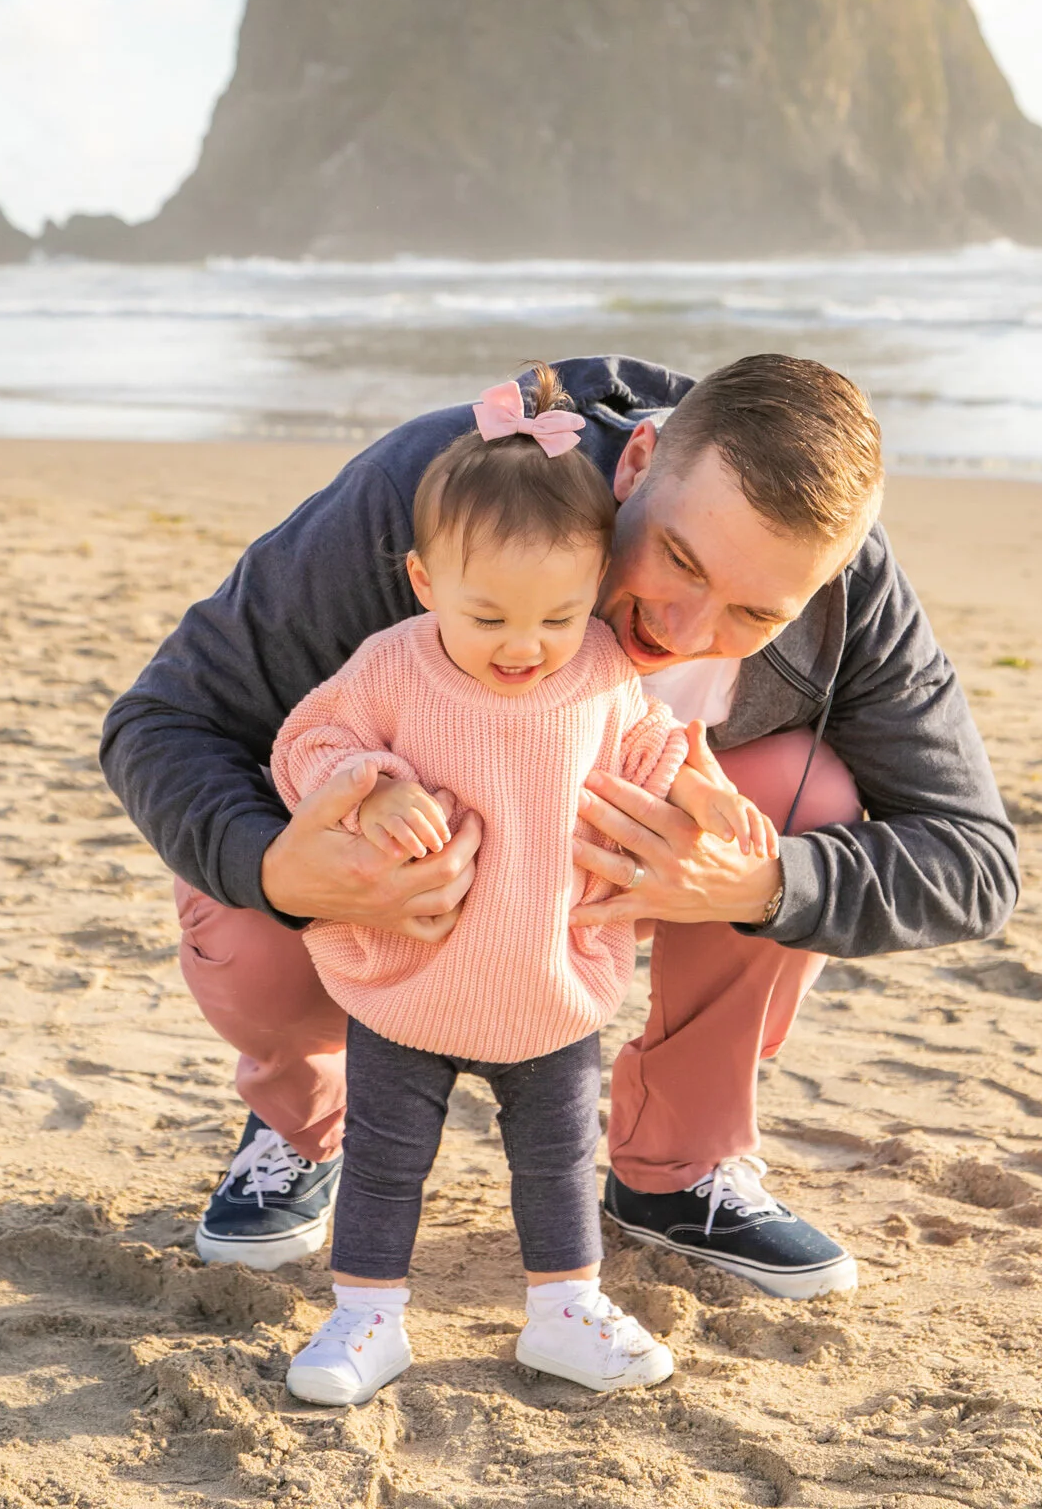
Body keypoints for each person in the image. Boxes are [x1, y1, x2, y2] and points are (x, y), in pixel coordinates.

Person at [101, 354, 1018, 1302]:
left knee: (802, 794)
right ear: (637, 464)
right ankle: (300, 1121)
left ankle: (676, 1165)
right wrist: (277, 870)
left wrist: (758, 882)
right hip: (391, 884)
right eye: (681, 558)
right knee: (245, 871)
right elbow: (163, 721)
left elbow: (975, 860)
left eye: (753, 612)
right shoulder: (450, 490)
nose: (684, 624)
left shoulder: (843, 589)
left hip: (590, 902)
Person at [274, 363, 768, 1401]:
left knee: (553, 1165)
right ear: (425, 583)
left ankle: (563, 1306)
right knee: (382, 1159)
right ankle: (367, 1313)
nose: (521, 645)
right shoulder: (394, 664)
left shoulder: (599, 670)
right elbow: (309, 740)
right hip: (410, 981)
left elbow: (656, 747)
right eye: (488, 615)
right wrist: (364, 793)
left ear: (591, 587)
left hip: (548, 982)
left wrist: (703, 792)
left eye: (554, 615)